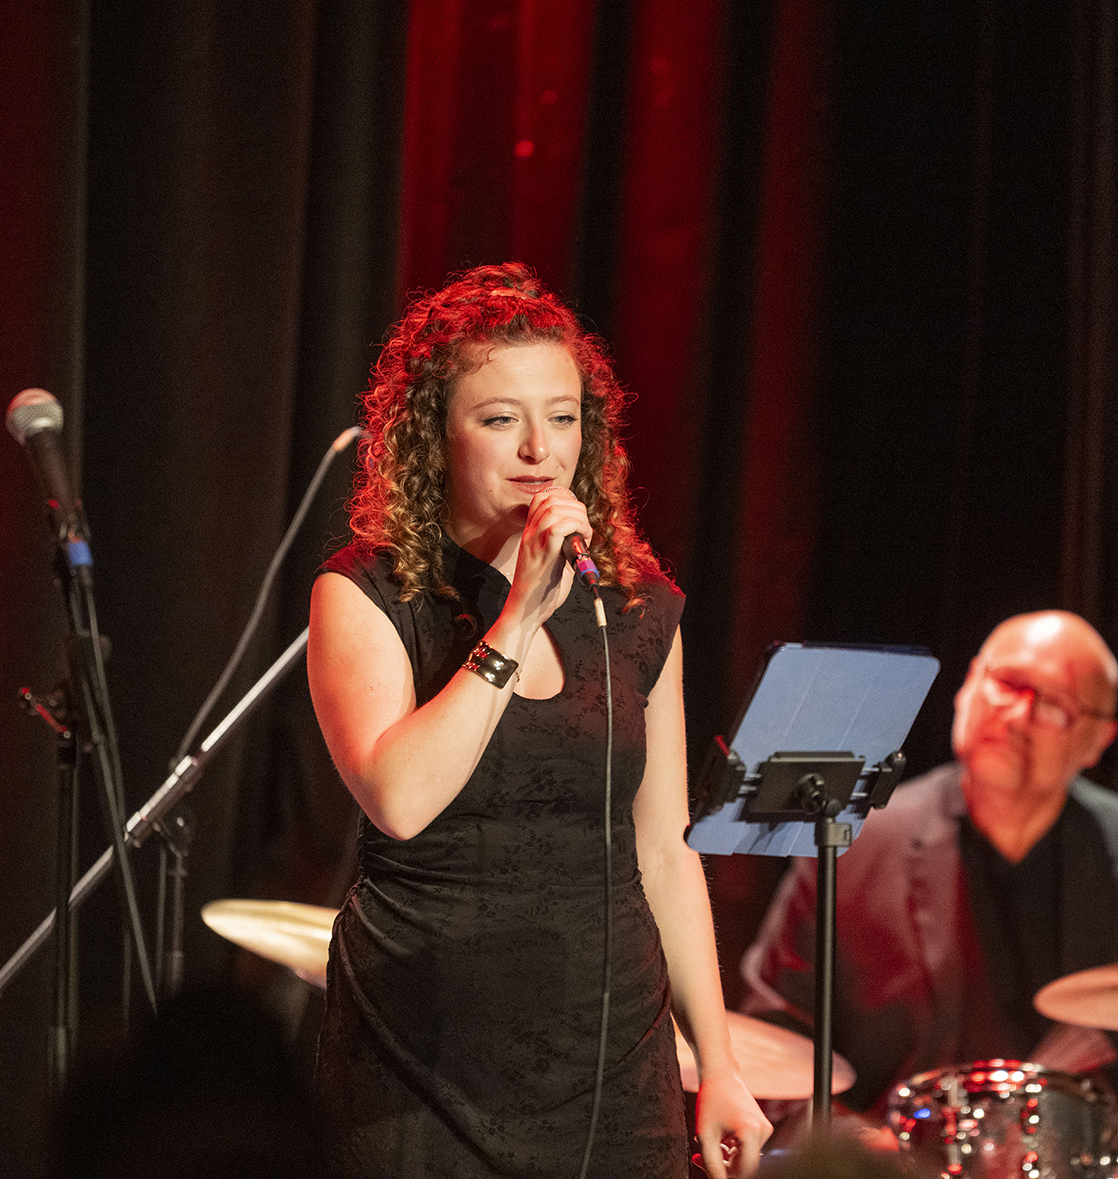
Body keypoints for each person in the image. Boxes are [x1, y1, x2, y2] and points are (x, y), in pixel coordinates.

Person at [307, 263, 771, 1177]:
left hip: (611, 1065)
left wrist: (718, 1064)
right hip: (423, 1063)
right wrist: (516, 617)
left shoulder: (636, 607)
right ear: (434, 436)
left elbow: (663, 851)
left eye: (562, 417)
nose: (538, 451)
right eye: (499, 420)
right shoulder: (369, 593)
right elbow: (399, 800)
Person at [742, 611, 1118, 1122]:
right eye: (1007, 683)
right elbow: (771, 1038)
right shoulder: (852, 841)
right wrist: (852, 1146)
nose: (1016, 716)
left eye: (1054, 705)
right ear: (967, 685)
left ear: (1098, 741)